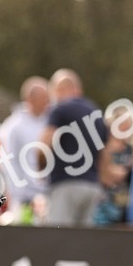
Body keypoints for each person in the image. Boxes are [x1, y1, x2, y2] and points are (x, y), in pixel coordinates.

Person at [40, 69, 106, 226]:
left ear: (59, 89)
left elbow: (44, 144)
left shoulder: (60, 110)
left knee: (58, 239)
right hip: (92, 186)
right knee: (84, 243)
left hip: (65, 184)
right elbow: (104, 153)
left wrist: (41, 166)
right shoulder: (96, 112)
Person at [0, 75, 49, 223]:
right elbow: (8, 162)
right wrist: (19, 195)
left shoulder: (48, 122)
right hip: (24, 199)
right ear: (29, 98)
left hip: (46, 196)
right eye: (43, 97)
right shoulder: (14, 126)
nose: (47, 101)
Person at [92, 102, 133, 226]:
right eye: (122, 125)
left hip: (125, 207)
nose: (125, 129)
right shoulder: (103, 149)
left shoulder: (131, 149)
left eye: (128, 125)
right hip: (103, 207)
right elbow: (104, 176)